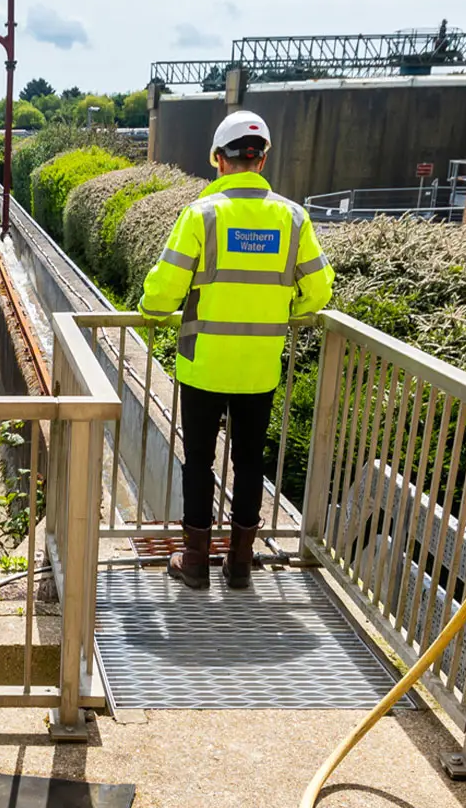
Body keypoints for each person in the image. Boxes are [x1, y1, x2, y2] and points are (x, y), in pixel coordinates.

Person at [136, 110, 333, 591]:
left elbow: (162, 292)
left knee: (199, 461)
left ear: (216, 161)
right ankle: (241, 562)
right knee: (249, 462)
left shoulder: (201, 215)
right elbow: (321, 289)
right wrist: (291, 308)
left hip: (203, 363)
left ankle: (196, 561)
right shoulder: (293, 217)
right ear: (262, 160)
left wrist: (151, 311)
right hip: (260, 365)